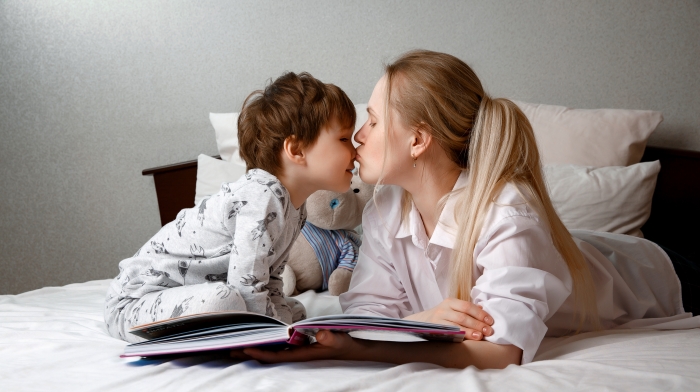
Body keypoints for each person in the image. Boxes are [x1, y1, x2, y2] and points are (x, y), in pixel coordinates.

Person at [241, 50, 699, 369]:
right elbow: (367, 311)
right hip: (588, 252)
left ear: (418, 140)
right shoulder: (386, 208)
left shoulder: (508, 212)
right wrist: (416, 322)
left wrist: (355, 350)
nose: (359, 136)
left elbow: (501, 352)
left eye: (375, 122)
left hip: (662, 276)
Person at [104, 72, 357, 343]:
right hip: (133, 303)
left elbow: (269, 279)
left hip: (187, 295)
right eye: (344, 139)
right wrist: (281, 341)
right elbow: (246, 285)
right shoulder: (261, 196)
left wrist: (286, 325)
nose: (355, 151)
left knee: (294, 311)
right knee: (228, 301)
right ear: (296, 150)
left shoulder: (296, 207)